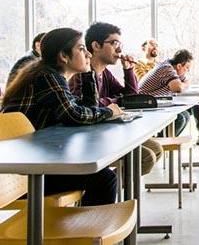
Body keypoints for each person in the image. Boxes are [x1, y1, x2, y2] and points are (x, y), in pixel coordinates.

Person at [1, 27, 124, 205]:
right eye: (82, 49)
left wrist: (89, 75)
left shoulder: (50, 75)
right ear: (63, 56)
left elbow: (84, 108)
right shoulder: (47, 77)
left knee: (103, 175)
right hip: (23, 175)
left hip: (34, 163)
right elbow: (73, 115)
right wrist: (109, 111)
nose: (88, 54)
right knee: (104, 178)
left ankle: (86, 228)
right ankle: (87, 230)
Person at [69, 22, 163, 176]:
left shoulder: (105, 73)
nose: (120, 49)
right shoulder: (81, 74)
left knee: (155, 149)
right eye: (114, 43)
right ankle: (107, 189)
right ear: (96, 45)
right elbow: (85, 106)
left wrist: (128, 69)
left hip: (106, 130)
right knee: (147, 156)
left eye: (120, 44)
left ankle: (113, 188)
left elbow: (130, 98)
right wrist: (114, 101)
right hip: (89, 137)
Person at [139, 49, 199, 159]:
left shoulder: (172, 69)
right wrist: (184, 84)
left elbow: (185, 82)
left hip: (158, 104)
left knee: (198, 103)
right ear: (179, 66)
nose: (187, 71)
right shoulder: (166, 68)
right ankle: (161, 141)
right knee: (183, 117)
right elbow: (178, 88)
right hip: (147, 106)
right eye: (186, 68)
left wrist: (184, 83)